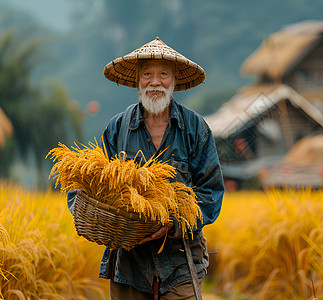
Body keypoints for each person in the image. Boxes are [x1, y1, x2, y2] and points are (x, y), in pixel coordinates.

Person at [68, 37, 224, 299]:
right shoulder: (117, 128)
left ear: (174, 80)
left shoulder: (195, 128)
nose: (155, 82)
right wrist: (91, 215)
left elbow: (211, 193)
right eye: (147, 74)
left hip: (180, 262)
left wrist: (174, 223)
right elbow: (84, 186)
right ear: (137, 80)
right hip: (129, 265)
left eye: (163, 74)